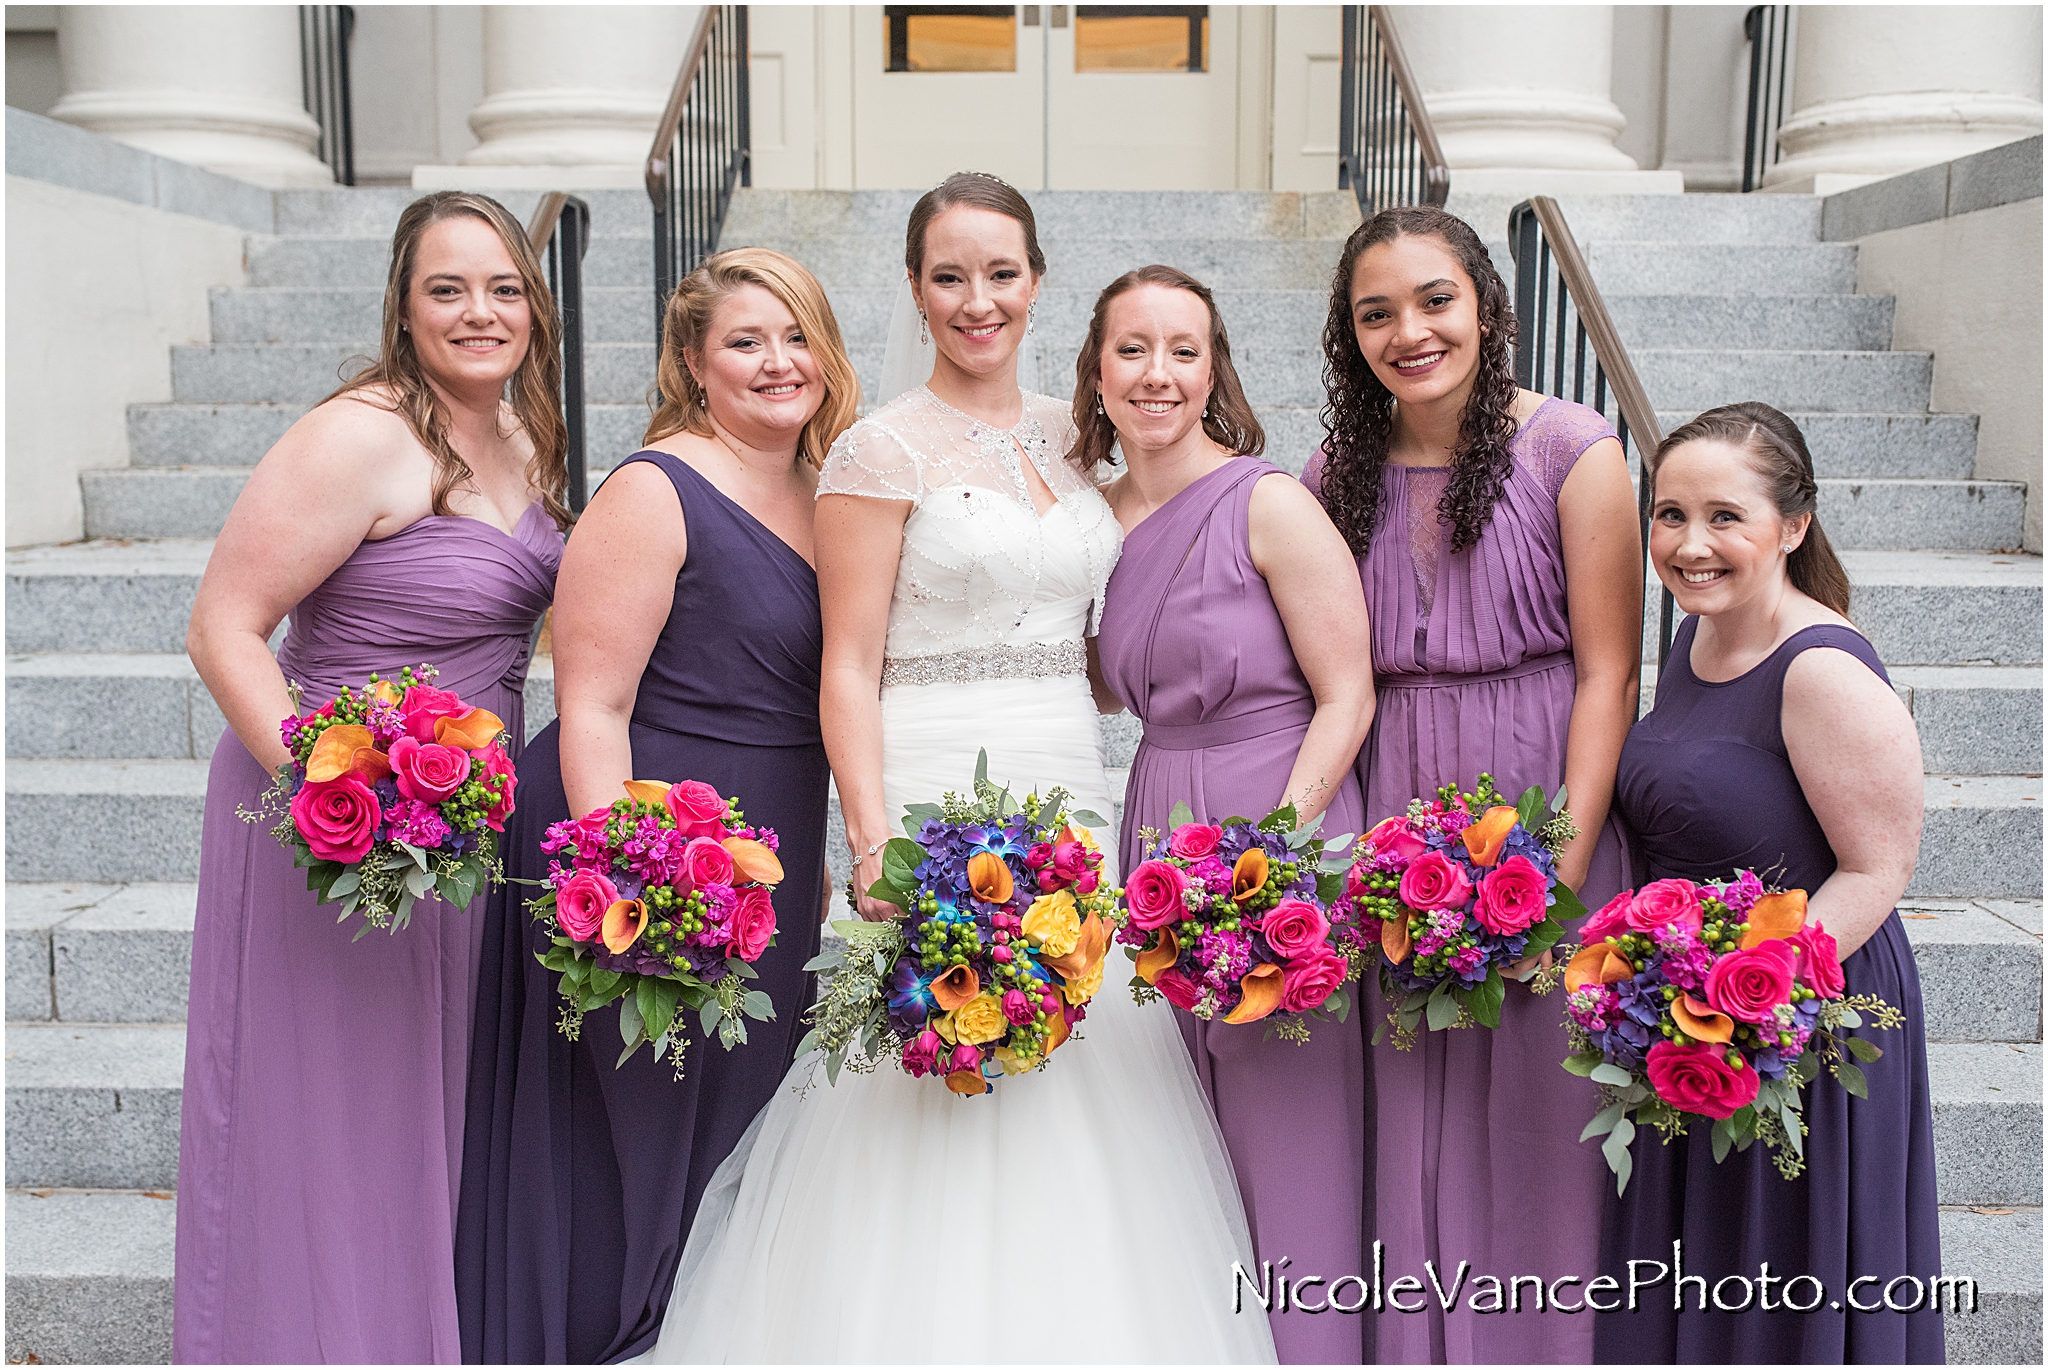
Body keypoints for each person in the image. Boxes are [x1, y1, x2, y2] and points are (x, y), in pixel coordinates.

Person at [637, 173, 1276, 1363]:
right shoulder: (878, 451)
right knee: (931, 1043)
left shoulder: (1079, 433)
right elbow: (846, 666)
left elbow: (1107, 625)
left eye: (1000, 273)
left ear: (1037, 281)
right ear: (917, 292)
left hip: (1068, 777)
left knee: (1085, 1045)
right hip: (932, 770)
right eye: (948, 276)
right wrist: (872, 837)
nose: (977, 300)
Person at [175, 191, 566, 1363]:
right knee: (329, 1121)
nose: (479, 311)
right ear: (403, 307)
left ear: (535, 309)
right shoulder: (360, 433)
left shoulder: (524, 433)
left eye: (503, 287)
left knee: (421, 1108)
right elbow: (223, 628)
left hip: (462, 825)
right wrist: (343, 794)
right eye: (447, 288)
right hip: (337, 828)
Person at [456, 249, 858, 1363]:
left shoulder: (825, 486)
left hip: (766, 841)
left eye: (796, 336)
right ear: (692, 360)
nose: (777, 362)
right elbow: (588, 702)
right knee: (633, 1116)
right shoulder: (655, 486)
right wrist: (625, 881)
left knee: (733, 1111)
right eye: (744, 340)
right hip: (640, 840)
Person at [1305, 204, 1640, 1364]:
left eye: (1433, 299)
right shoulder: (1330, 473)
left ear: (1487, 308)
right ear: (1348, 335)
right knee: (1407, 1093)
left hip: (1544, 789)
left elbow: (1609, 672)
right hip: (1393, 799)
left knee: (1539, 1107)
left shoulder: (1573, 449)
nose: (1408, 330)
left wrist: (1563, 860)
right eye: (1375, 312)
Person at [1597, 402, 1942, 1364]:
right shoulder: (1698, 639)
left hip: (1803, 1021)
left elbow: (1878, 869)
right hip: (1696, 1016)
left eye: (1723, 517)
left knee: (1783, 1282)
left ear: (1792, 526)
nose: (1689, 543)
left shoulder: (1821, 669)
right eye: (1669, 515)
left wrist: (1747, 998)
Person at [1090, 265, 1377, 1363]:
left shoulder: (1267, 501)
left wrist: (1277, 852)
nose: (1155, 373)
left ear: (1213, 370)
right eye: (1131, 349)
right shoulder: (1091, 518)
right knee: (1174, 1120)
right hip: (1158, 815)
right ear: (1097, 371)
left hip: (1280, 815)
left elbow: (1347, 690)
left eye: (1181, 350)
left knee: (1281, 1109)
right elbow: (1104, 683)